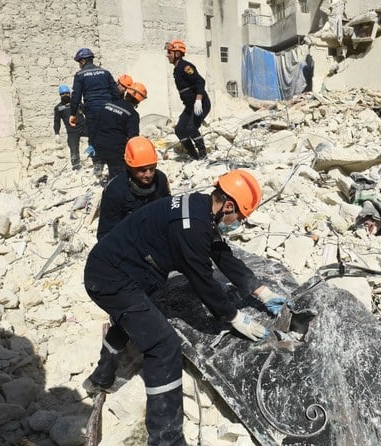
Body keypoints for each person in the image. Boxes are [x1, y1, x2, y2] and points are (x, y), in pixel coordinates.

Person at [83, 169, 288, 444]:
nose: (237, 223)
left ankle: (101, 377)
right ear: (228, 206)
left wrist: (259, 290)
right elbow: (202, 280)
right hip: (111, 278)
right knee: (163, 345)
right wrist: (234, 316)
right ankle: (166, 439)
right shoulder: (191, 226)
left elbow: (219, 252)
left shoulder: (200, 208)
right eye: (239, 217)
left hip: (126, 269)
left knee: (131, 321)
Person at [97, 136, 171, 240]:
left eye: (152, 168)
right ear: (130, 167)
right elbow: (105, 235)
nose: (148, 174)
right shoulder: (115, 191)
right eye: (142, 170)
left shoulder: (160, 179)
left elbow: (168, 210)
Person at [68, 47, 120, 175]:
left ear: (84, 61)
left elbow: (75, 97)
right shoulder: (105, 73)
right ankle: (113, 161)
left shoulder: (80, 75)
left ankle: (98, 164)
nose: (79, 65)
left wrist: (73, 114)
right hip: (109, 109)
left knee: (94, 136)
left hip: (92, 110)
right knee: (110, 134)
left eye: (79, 62)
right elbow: (116, 93)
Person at [166, 39, 211, 161]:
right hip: (190, 106)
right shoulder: (176, 69)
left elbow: (200, 82)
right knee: (180, 130)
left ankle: (203, 155)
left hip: (201, 104)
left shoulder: (186, 67)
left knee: (191, 128)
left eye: (170, 52)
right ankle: (193, 155)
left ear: (177, 54)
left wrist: (198, 100)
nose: (167, 55)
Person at [94, 82, 146, 181]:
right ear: (139, 101)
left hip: (99, 145)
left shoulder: (107, 105)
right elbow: (133, 139)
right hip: (115, 151)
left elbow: (96, 125)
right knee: (119, 177)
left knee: (111, 164)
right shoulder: (132, 114)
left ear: (127, 93)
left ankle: (101, 166)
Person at [54, 84, 88, 170]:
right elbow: (56, 121)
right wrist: (56, 133)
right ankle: (76, 167)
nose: (65, 95)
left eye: (66, 93)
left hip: (83, 127)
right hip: (72, 131)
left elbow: (87, 112)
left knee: (97, 138)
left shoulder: (77, 102)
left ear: (69, 93)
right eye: (63, 94)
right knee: (73, 150)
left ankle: (98, 160)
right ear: (60, 95)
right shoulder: (59, 108)